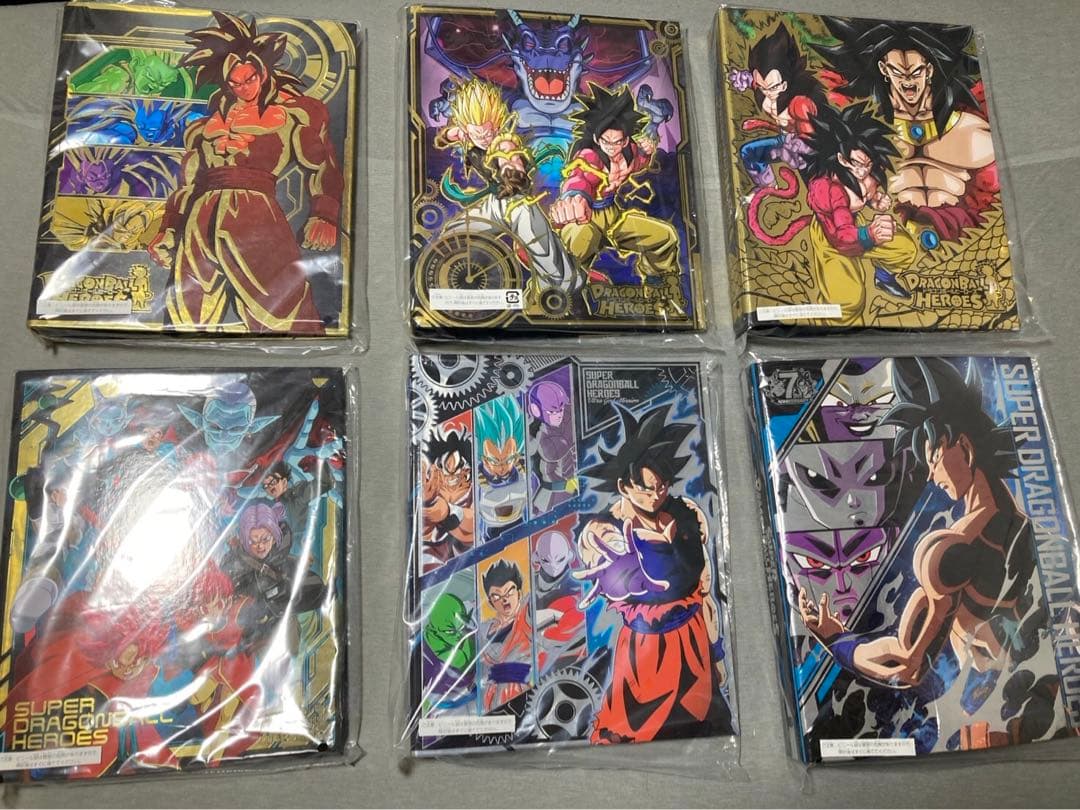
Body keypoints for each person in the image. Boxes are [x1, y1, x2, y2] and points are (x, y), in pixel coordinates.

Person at [148, 12, 344, 333]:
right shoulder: (204, 126)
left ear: (263, 71)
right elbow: (188, 182)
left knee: (285, 309)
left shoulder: (296, 113)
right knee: (186, 315)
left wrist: (325, 214)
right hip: (200, 219)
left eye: (249, 79)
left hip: (254, 214)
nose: (243, 88)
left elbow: (323, 163)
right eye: (234, 83)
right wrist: (170, 227)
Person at [574, 403, 733, 743]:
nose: (655, 495)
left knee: (709, 726)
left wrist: (717, 653)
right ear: (624, 486)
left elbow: (705, 594)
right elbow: (594, 550)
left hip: (694, 639)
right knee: (634, 732)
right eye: (646, 488)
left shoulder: (688, 514)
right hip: (647, 652)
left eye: (661, 486)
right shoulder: (605, 529)